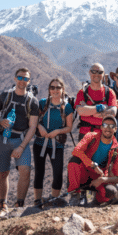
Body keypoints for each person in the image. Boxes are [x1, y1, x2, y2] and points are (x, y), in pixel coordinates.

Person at [0, 68, 39, 219]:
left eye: (25, 78)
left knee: (25, 170)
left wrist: (21, 146)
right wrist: (0, 120)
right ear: (14, 79)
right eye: (20, 77)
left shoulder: (32, 101)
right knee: (3, 173)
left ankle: (19, 204)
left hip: (20, 139)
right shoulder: (5, 96)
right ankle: (3, 205)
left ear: (29, 81)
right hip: (3, 138)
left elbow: (32, 126)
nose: (22, 80)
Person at [62, 116, 118, 207]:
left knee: (111, 192)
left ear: (115, 129)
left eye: (111, 126)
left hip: (99, 178)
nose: (108, 128)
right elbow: (76, 151)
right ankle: (76, 195)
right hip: (84, 173)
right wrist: (93, 165)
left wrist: (103, 179)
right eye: (105, 125)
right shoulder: (91, 136)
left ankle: (97, 200)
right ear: (101, 127)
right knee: (74, 161)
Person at [33, 78, 74, 207]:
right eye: (52, 87)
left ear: (62, 90)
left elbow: (69, 127)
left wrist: (56, 132)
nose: (55, 90)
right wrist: (40, 127)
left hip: (57, 145)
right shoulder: (42, 103)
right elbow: (34, 121)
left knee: (58, 173)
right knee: (39, 172)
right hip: (40, 143)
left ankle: (52, 199)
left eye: (58, 87)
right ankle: (37, 201)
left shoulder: (66, 107)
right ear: (49, 89)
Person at [75, 63, 118, 139]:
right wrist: (99, 108)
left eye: (100, 72)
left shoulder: (109, 92)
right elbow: (80, 111)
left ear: (103, 74)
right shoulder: (83, 92)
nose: (96, 74)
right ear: (89, 72)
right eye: (94, 71)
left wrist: (89, 111)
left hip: (104, 135)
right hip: (85, 134)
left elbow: (113, 113)